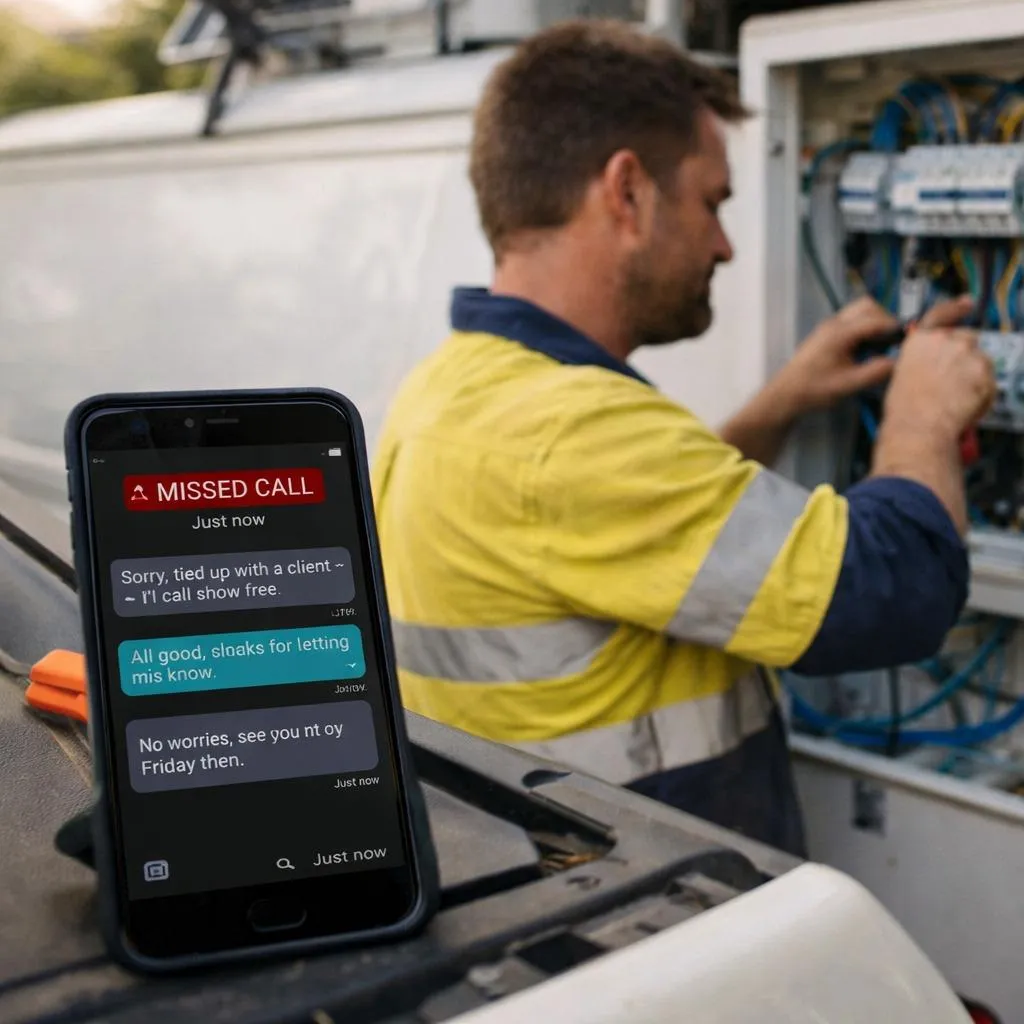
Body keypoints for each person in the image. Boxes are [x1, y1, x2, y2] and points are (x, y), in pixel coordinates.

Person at [370, 20, 996, 855]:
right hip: (642, 920)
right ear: (626, 192)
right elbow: (895, 591)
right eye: (712, 201)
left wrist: (779, 407)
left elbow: (638, 543)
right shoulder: (572, 433)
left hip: (549, 901)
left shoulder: (457, 389)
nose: (727, 243)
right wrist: (924, 413)